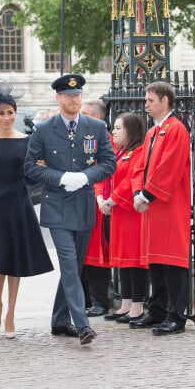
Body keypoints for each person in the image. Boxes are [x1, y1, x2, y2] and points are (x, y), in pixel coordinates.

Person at [24, 74, 116, 346]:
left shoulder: (96, 126)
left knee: (74, 268)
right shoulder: (44, 129)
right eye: (68, 96)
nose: (73, 100)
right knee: (68, 263)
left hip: (84, 204)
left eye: (77, 95)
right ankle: (82, 324)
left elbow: (109, 163)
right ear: (58, 98)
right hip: (57, 206)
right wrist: (60, 177)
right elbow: (29, 168)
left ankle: (59, 319)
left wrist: (87, 176)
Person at [0, 82, 54, 338]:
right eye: (2, 113)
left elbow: (32, 176)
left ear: (16, 114)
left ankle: (11, 313)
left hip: (18, 201)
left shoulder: (26, 141)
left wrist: (43, 167)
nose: (6, 117)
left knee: (15, 258)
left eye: (10, 112)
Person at [129, 81, 191, 335]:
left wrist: (146, 194)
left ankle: (176, 315)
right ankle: (157, 310)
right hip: (152, 205)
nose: (146, 105)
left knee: (173, 262)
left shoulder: (177, 130)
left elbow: (169, 168)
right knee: (155, 260)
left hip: (169, 205)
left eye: (150, 101)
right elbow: (139, 166)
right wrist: (137, 192)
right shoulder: (153, 133)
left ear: (165, 100)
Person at [99, 112, 148, 323]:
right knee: (123, 261)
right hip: (119, 211)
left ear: (131, 130)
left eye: (119, 128)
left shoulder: (138, 152)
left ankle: (138, 305)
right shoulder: (120, 152)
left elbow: (130, 182)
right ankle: (126, 303)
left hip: (130, 212)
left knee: (135, 260)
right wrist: (104, 198)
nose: (114, 132)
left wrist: (111, 200)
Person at [80, 99, 113, 317]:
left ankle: (100, 300)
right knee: (82, 256)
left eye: (86, 114)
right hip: (82, 200)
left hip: (98, 201)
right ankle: (85, 299)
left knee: (97, 256)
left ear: (98, 118)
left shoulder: (103, 140)